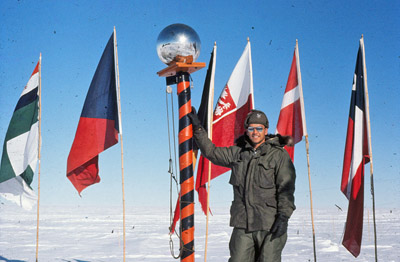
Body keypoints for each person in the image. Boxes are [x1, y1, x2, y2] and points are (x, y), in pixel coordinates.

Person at [189, 108, 296, 262]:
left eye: (259, 128)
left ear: (266, 130)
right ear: (246, 130)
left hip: (270, 224)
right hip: (243, 225)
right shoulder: (238, 153)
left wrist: (284, 217)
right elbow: (212, 152)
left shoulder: (278, 155)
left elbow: (286, 189)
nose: (255, 132)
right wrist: (198, 129)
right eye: (251, 128)